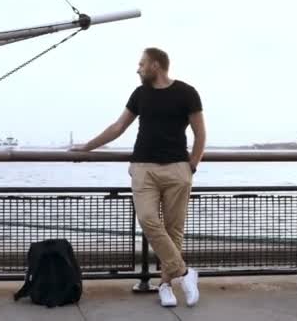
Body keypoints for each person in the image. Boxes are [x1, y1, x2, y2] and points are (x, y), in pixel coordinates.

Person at [70, 47, 206, 307]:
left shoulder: (187, 92)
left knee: (174, 230)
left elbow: (201, 134)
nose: (138, 68)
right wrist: (86, 147)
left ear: (155, 65)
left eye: (142, 64)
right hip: (143, 168)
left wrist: (192, 167)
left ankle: (165, 285)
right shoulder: (140, 94)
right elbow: (118, 127)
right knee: (147, 220)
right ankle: (186, 273)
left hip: (178, 169)